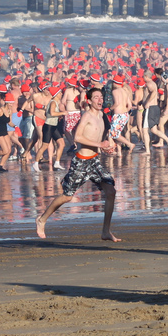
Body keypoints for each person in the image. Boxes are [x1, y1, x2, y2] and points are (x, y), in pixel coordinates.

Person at [35, 87, 121, 242]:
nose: (100, 100)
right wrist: (99, 144)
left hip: (94, 161)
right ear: (89, 101)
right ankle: (42, 219)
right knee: (67, 197)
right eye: (96, 97)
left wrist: (108, 145)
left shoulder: (102, 115)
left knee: (111, 191)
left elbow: (103, 135)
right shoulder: (87, 116)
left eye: (101, 97)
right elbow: (78, 137)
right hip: (81, 161)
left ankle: (106, 231)